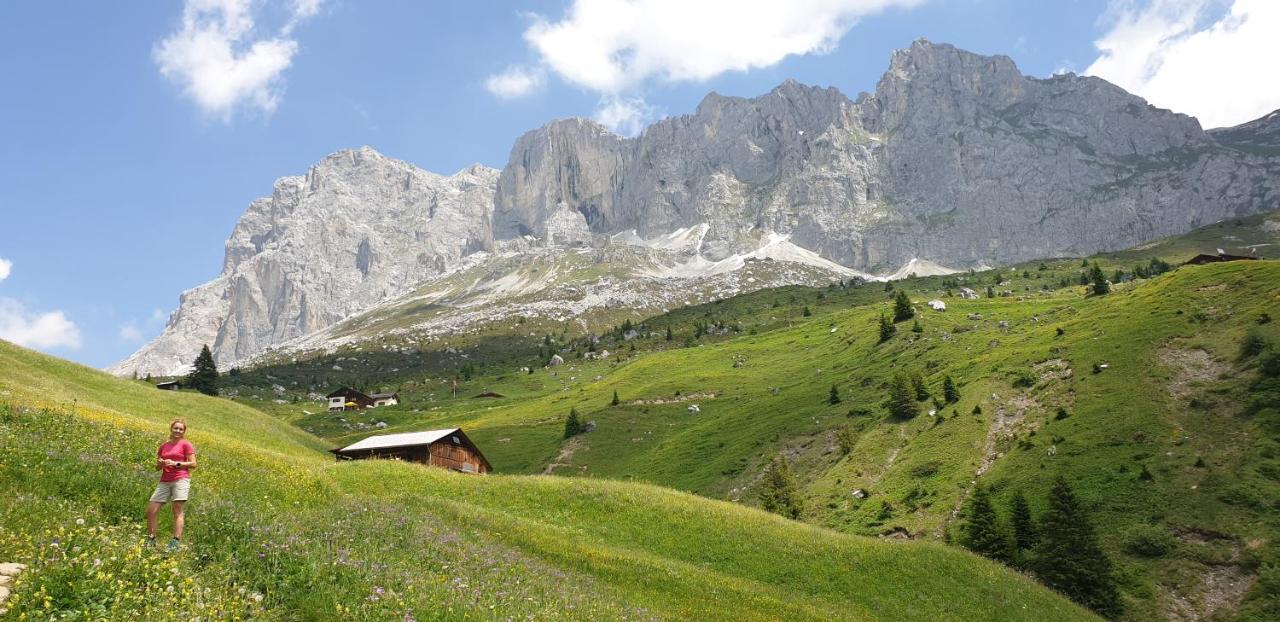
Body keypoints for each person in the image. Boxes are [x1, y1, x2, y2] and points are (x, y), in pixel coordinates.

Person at [146, 419, 196, 551]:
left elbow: (193, 464)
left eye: (181, 429)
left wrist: (176, 463)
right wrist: (161, 463)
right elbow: (157, 467)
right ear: (171, 429)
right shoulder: (164, 446)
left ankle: (175, 542)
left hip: (181, 479)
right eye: (176, 428)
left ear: (184, 431)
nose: (178, 431)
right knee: (151, 510)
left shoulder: (186, 444)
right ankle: (151, 539)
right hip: (165, 480)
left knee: (177, 509)